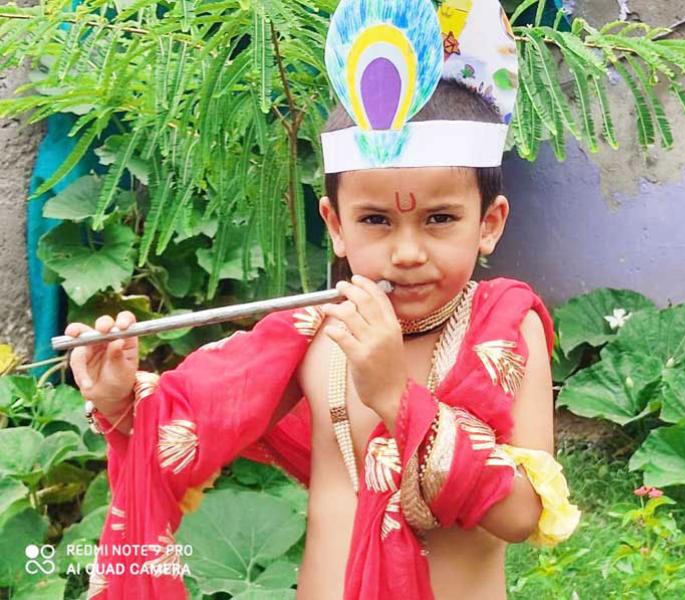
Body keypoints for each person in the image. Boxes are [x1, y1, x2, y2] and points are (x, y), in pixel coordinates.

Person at [64, 0, 580, 598]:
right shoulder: (312, 336)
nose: (407, 252)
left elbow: (521, 516)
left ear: (489, 223)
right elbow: (197, 415)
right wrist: (120, 397)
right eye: (376, 221)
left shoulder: (505, 330)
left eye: (440, 218)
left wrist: (395, 397)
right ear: (335, 225)